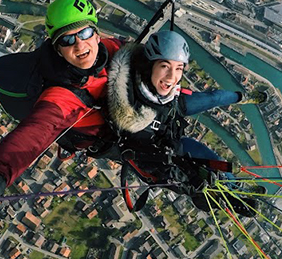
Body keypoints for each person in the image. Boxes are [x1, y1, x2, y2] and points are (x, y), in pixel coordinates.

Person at [0, 0, 124, 205]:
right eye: (67, 39)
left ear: (97, 35)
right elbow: (34, 133)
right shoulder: (61, 95)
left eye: (84, 32)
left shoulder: (114, 50)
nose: (79, 44)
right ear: (58, 50)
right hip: (117, 141)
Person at [107, 31, 267, 214]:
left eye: (179, 68)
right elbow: (162, 172)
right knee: (206, 175)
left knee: (214, 101)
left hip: (171, 123)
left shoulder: (164, 90)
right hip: (157, 157)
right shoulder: (131, 111)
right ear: (150, 65)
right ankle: (230, 196)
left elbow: (207, 97)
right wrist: (193, 181)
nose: (171, 77)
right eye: (165, 66)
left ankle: (241, 98)